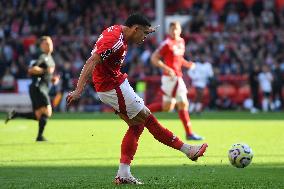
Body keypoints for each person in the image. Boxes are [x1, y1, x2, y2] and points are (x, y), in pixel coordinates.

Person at [66, 14, 208, 185]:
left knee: (137, 126)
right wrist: (78, 89)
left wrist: (148, 28)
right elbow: (91, 61)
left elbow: (100, 55)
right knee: (148, 119)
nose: (145, 38)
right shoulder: (116, 41)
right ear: (135, 29)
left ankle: (123, 174)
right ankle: (188, 150)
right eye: (144, 34)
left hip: (115, 82)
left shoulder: (118, 31)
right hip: (112, 87)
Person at [147, 21, 203, 140]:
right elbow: (154, 58)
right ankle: (189, 133)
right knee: (183, 102)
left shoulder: (181, 42)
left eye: (176, 29)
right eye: (172, 29)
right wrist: (167, 68)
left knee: (168, 107)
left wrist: (187, 64)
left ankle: (141, 112)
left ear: (180, 30)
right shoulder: (167, 43)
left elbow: (179, 58)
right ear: (169, 31)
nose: (174, 31)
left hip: (177, 76)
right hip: (171, 77)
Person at [5, 36, 59, 141]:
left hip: (41, 87)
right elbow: (31, 69)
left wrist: (52, 79)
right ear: (41, 46)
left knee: (38, 115)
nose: (49, 45)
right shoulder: (42, 57)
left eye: (50, 43)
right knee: (48, 112)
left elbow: (46, 74)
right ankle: (39, 136)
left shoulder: (50, 58)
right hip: (38, 87)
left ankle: (16, 114)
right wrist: (45, 71)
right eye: (46, 43)